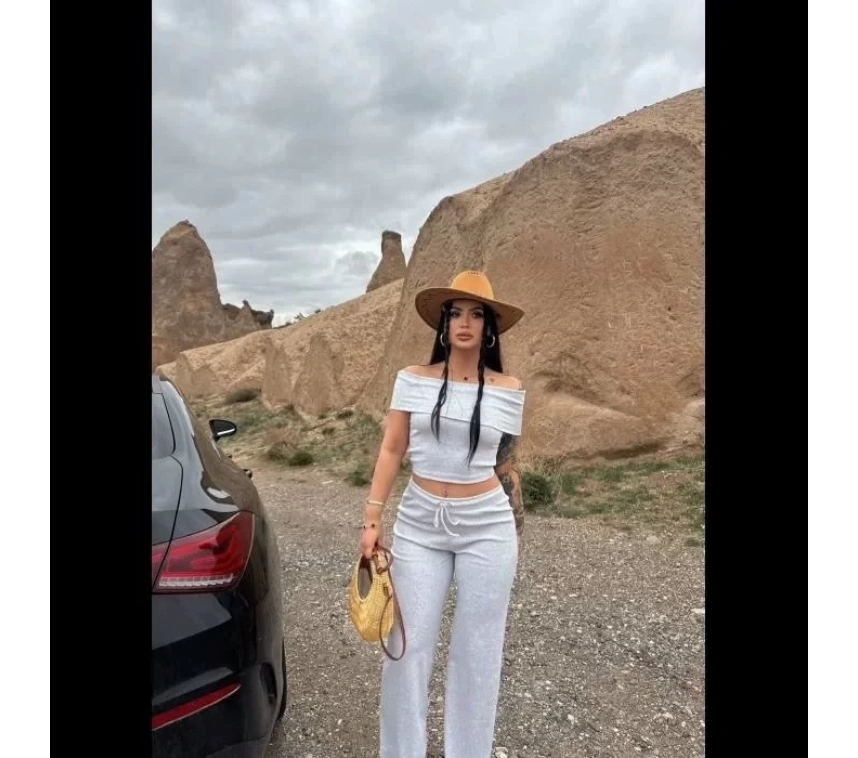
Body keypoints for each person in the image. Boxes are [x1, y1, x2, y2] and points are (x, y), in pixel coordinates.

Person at [359, 269, 527, 758]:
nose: (465, 323)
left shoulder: (509, 388)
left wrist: (515, 533)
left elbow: (506, 466)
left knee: (478, 653)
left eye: (476, 314)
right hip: (419, 524)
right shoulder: (412, 380)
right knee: (406, 648)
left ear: (489, 327)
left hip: (488, 527)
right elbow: (392, 450)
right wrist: (372, 519)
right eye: (456, 313)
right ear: (444, 323)